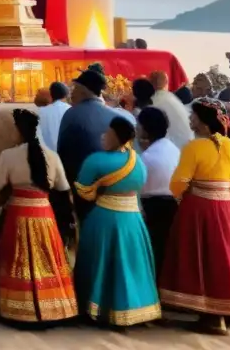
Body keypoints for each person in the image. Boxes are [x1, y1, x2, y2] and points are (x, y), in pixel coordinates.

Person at [160, 98, 230, 334]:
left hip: (199, 208)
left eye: (193, 116)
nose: (190, 120)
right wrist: (225, 194)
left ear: (204, 123)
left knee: (202, 260)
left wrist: (186, 197)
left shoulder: (194, 147)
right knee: (227, 259)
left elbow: (178, 183)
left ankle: (211, 318)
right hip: (229, 208)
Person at [0, 109, 76, 326]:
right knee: (48, 260)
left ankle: (17, 308)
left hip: (17, 215)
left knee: (16, 261)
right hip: (44, 215)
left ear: (18, 131)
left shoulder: (8, 156)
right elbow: (63, 189)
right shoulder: (52, 156)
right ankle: (52, 306)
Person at [73, 117, 160, 328]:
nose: (104, 136)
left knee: (100, 263)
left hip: (105, 218)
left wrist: (98, 191)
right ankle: (139, 308)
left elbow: (84, 192)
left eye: (108, 133)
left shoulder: (96, 160)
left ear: (117, 137)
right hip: (133, 220)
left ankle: (98, 308)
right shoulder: (137, 160)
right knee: (134, 264)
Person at [56, 66, 116, 221]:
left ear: (83, 91)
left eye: (75, 88)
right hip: (113, 185)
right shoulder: (116, 115)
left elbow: (63, 153)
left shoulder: (72, 114)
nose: (72, 93)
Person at [136, 107, 180, 277]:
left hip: (153, 208)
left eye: (139, 126)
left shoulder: (147, 157)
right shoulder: (172, 148)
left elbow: (140, 189)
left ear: (145, 129)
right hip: (172, 205)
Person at [149, 71, 194, 149]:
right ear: (166, 83)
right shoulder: (172, 99)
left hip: (176, 149)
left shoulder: (153, 102)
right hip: (188, 145)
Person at [38, 81, 70, 151]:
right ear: (66, 95)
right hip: (67, 154)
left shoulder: (41, 111)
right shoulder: (70, 110)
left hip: (47, 155)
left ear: (51, 95)